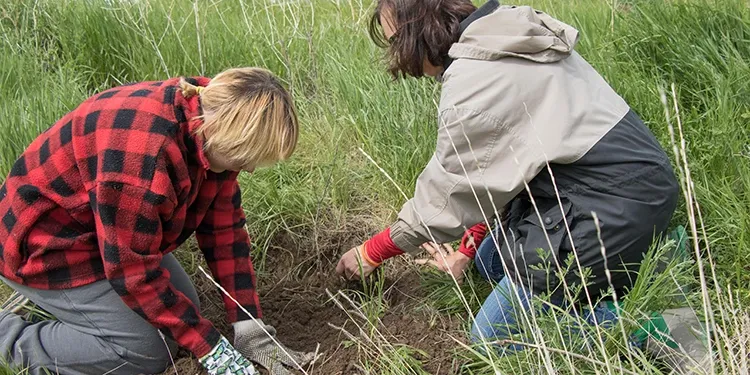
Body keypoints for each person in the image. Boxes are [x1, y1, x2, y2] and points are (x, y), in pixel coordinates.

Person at [335, 0, 679, 351]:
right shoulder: (504, 34)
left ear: (418, 33)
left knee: (492, 338)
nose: (399, 58)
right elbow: (495, 174)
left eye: (397, 43)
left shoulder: (475, 86)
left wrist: (371, 252)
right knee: (488, 259)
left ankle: (651, 327)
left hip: (609, 209)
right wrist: (467, 250)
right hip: (635, 186)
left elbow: (445, 200)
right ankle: (635, 269)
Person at [0, 67, 312, 375]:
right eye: (244, 160)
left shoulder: (213, 118)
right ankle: (10, 338)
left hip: (106, 232)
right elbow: (131, 271)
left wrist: (249, 323)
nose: (250, 170)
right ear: (228, 133)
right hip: (43, 247)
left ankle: (79, 313)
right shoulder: (143, 159)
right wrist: (211, 348)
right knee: (147, 352)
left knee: (183, 309)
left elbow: (224, 231)